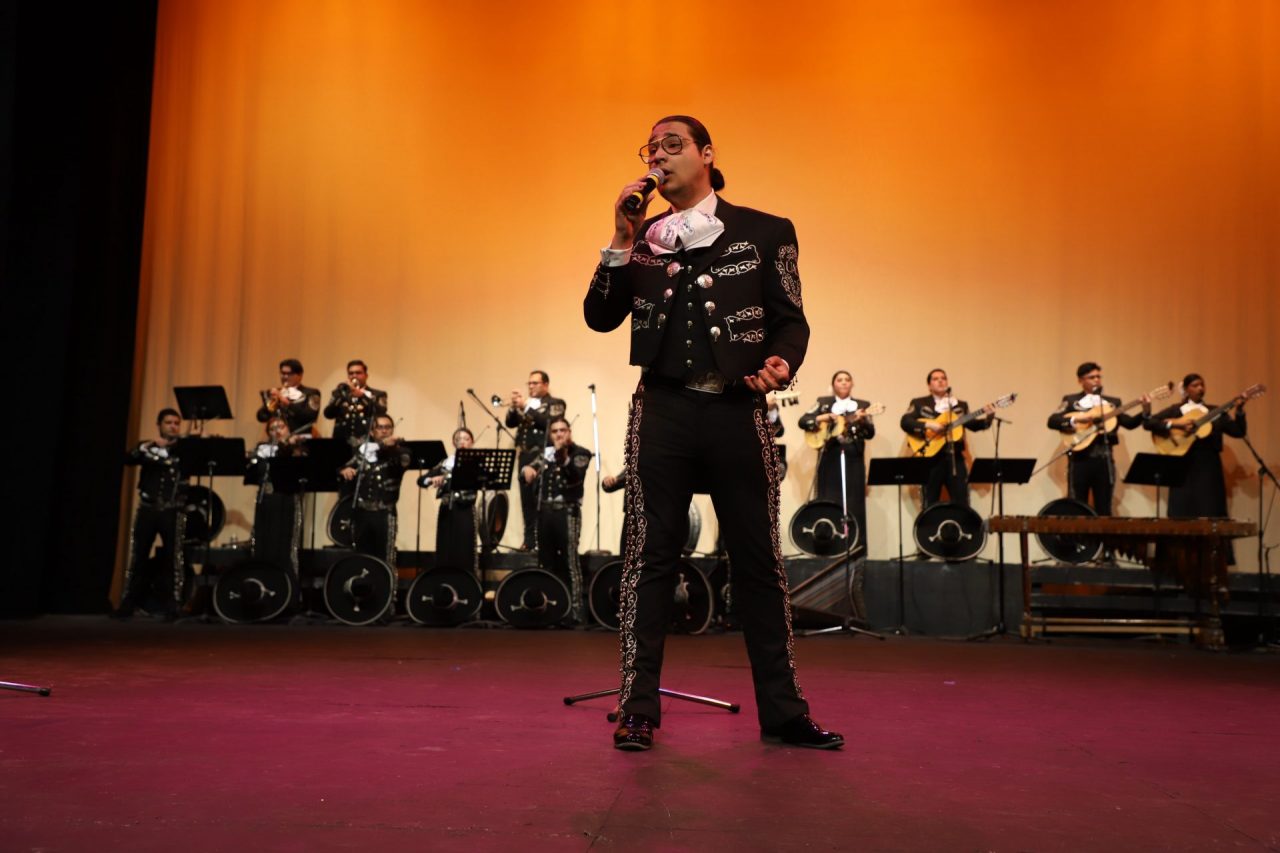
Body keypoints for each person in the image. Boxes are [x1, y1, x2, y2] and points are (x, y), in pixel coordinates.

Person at [584, 114, 841, 751]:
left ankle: (783, 711)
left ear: (706, 154)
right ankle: (637, 708)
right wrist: (620, 239)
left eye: (673, 145)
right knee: (649, 560)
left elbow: (792, 321)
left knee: (758, 562)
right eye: (651, 149)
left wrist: (782, 361)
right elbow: (599, 316)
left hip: (735, 408)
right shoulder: (643, 239)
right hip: (662, 410)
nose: (659, 157)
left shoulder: (765, 231)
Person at [1046, 362, 1150, 515]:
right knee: (1077, 505)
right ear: (1080, 380)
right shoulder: (1071, 400)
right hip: (1079, 460)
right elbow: (1052, 421)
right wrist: (1076, 420)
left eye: (1098, 377)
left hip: (1104, 460)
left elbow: (1129, 423)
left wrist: (1145, 410)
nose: (1096, 380)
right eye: (1091, 377)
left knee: (1104, 507)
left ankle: (1102, 532)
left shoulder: (1112, 403)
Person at [1145, 374, 1248, 520]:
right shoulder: (1177, 410)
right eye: (1195, 385)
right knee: (1181, 510)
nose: (1200, 388)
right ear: (1186, 389)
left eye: (1202, 385)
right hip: (1181, 462)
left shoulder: (1215, 411)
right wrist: (1176, 424)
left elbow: (1238, 431)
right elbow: (1149, 423)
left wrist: (1239, 410)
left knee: (1210, 507)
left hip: (1208, 465)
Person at [114, 409, 186, 618]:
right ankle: (128, 604)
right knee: (139, 556)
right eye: (168, 422)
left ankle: (173, 606)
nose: (173, 426)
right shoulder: (147, 448)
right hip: (147, 508)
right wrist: (150, 444)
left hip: (171, 510)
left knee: (173, 558)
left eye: (176, 423)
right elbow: (128, 458)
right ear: (159, 425)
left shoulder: (182, 450)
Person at [521, 417, 593, 623]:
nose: (559, 434)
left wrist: (564, 457)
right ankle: (549, 607)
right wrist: (526, 470)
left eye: (563, 430)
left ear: (569, 432)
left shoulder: (580, 452)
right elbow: (530, 469)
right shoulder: (546, 454)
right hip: (545, 513)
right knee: (546, 560)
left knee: (570, 561)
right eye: (554, 431)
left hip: (567, 512)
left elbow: (576, 475)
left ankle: (576, 611)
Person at [799, 370, 876, 548]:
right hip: (829, 458)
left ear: (852, 384)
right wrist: (822, 417)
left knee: (855, 501)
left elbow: (870, 433)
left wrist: (862, 420)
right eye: (839, 380)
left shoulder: (863, 405)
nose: (843, 382)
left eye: (847, 379)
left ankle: (856, 547)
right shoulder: (823, 403)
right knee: (828, 499)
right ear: (833, 384)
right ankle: (828, 545)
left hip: (853, 458)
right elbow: (803, 421)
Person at [900, 369, 993, 508]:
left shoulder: (960, 405)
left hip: (955, 458)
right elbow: (905, 422)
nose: (940, 381)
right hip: (930, 460)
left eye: (943, 378)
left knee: (962, 502)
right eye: (935, 379)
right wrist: (929, 425)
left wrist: (989, 417)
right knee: (930, 503)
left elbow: (973, 425)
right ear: (929, 385)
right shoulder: (919, 403)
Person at [339, 414, 411, 566]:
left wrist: (387, 446)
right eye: (380, 427)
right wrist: (345, 470)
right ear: (372, 432)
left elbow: (403, 463)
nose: (384, 431)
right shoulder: (364, 452)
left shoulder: (401, 451)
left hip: (384, 512)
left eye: (388, 427)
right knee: (361, 556)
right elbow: (345, 466)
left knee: (385, 557)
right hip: (362, 513)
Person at [506, 371, 566, 549]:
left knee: (542, 499)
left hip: (544, 456)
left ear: (545, 385)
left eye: (535, 383)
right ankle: (529, 540)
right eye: (529, 383)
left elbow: (550, 422)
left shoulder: (555, 403)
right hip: (525, 455)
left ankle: (543, 541)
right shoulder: (527, 405)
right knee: (527, 502)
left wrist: (525, 406)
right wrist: (513, 408)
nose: (531, 386)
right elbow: (511, 423)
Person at [247, 416, 308, 577]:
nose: (277, 431)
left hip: (286, 500)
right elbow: (254, 471)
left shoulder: (296, 448)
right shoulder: (262, 449)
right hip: (266, 500)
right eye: (272, 428)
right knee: (263, 543)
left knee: (284, 544)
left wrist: (289, 446)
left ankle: (286, 582)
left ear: (288, 429)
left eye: (281, 426)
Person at [419, 427, 479, 577]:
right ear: (453, 443)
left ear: (472, 442)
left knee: (464, 549)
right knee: (445, 548)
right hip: (446, 509)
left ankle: (466, 582)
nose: (462, 442)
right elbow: (421, 480)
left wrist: (446, 478)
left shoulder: (476, 462)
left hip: (465, 509)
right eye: (458, 439)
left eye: (466, 439)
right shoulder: (446, 462)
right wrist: (431, 479)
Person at [324, 359, 388, 446]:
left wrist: (362, 396)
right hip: (341, 442)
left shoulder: (378, 394)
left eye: (358, 373)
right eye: (351, 373)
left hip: (366, 442)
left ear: (366, 376)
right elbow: (328, 414)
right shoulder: (339, 393)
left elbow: (381, 413)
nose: (354, 376)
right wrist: (341, 396)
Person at [256, 358, 322, 436]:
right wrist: (267, 402)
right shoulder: (276, 392)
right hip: (277, 437)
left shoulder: (311, 393)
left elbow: (311, 417)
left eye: (290, 374)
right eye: (283, 373)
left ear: (300, 375)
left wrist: (287, 403)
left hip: (300, 437)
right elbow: (262, 418)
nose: (285, 377)